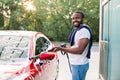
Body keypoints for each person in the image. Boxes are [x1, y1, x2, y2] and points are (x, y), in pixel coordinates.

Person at [53, 11, 93, 80]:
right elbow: (75, 46)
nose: (75, 20)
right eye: (73, 18)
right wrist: (65, 48)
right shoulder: (77, 30)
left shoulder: (83, 31)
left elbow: (79, 50)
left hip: (79, 64)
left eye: (77, 18)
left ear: (82, 19)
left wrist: (61, 49)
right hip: (76, 64)